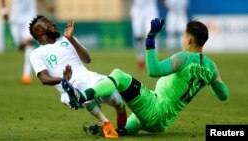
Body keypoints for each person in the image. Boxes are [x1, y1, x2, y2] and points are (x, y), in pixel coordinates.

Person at [61, 18, 229, 135]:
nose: (183, 40)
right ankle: (121, 130)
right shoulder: (211, 67)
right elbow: (223, 95)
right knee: (132, 121)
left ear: (190, 39)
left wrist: (150, 40)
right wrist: (215, 82)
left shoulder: (184, 58)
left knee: (119, 76)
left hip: (154, 109)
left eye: (185, 37)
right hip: (163, 123)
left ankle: (83, 95)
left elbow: (153, 71)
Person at [28, 15, 127, 138]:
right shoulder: (36, 54)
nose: (53, 24)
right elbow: (43, 78)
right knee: (79, 88)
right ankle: (105, 123)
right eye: (48, 23)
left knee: (115, 97)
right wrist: (63, 80)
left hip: (88, 76)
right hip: (68, 91)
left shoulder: (67, 40)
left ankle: (120, 114)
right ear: (39, 31)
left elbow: (87, 59)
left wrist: (71, 40)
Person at [0, 0, 54, 85]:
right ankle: (38, 53)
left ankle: (26, 75)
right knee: (21, 46)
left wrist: (46, 6)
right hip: (15, 19)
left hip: (30, 17)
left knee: (29, 43)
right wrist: (4, 10)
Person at [130, 0, 159, 70]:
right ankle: (140, 58)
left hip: (150, 8)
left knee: (151, 33)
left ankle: (153, 60)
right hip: (138, 8)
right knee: (138, 35)